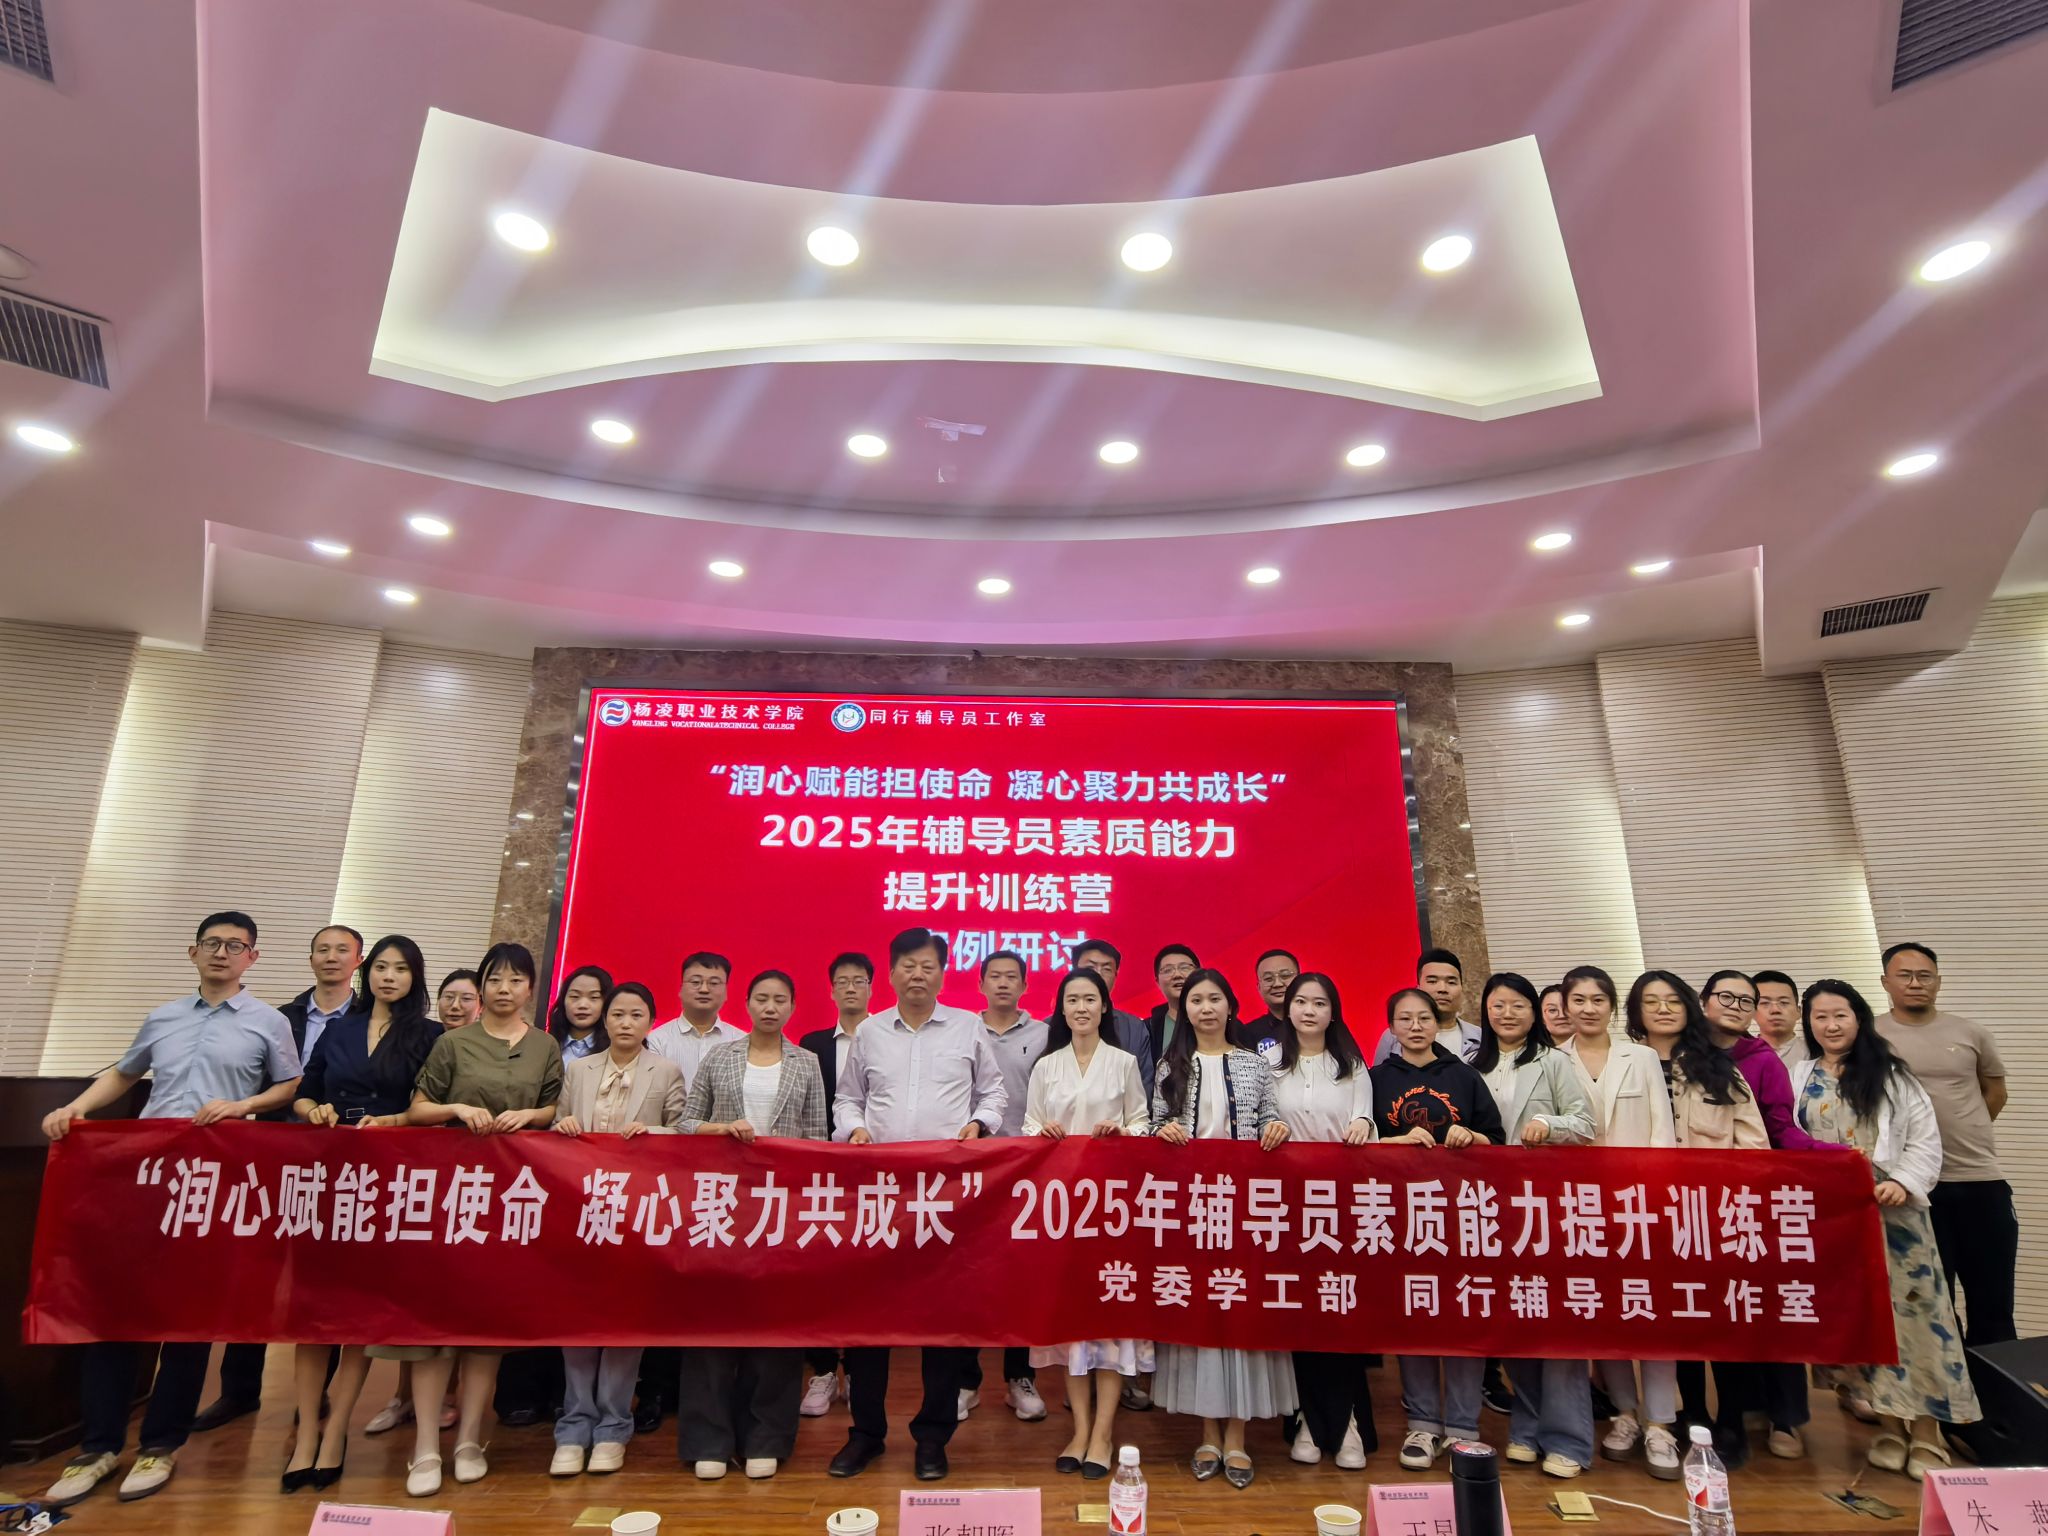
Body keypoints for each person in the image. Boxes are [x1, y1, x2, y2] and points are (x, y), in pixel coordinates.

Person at [41, 911, 301, 1508]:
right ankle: (97, 1447)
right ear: (193, 952)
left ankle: (161, 1443)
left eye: (235, 945)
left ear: (252, 957)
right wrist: (77, 1108)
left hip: (214, 1183)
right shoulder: (163, 1016)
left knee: (190, 1313)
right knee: (118, 1307)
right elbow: (125, 1073)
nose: (222, 953)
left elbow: (288, 1086)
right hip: (148, 1177)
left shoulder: (268, 1022)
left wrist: (241, 1106)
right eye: (212, 943)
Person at [830, 928, 1007, 1483]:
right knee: (869, 1321)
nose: (917, 974)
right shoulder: (869, 1031)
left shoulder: (968, 1026)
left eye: (927, 966)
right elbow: (847, 1098)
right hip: (879, 1195)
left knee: (941, 1320)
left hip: (944, 1197)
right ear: (891, 973)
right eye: (907, 965)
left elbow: (994, 1093)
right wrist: (854, 1130)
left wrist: (979, 1124)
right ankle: (866, 1433)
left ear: (942, 973)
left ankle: (933, 1436)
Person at [1794, 979, 1980, 1480]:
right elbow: (1789, 1140)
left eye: (1840, 1015)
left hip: (1895, 1214)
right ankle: (1890, 1427)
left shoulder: (1891, 1074)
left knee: (1918, 1321)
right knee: (1866, 1321)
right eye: (1820, 1017)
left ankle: (1928, 1434)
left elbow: (1924, 1139)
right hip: (1835, 1220)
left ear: (1859, 1018)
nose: (1830, 1025)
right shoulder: (1801, 1074)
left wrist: (1903, 1181)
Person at [395, 942, 563, 1496]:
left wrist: (532, 1115)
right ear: (482, 987)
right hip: (450, 1196)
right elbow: (418, 1109)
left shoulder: (545, 1046)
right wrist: (455, 1109)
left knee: (485, 1325)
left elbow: (554, 1111)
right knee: (434, 1325)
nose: (504, 989)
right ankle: (425, 1446)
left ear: (530, 989)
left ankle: (469, 1439)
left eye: (516, 980)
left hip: (510, 1200)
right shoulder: (453, 1043)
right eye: (495, 979)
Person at [280, 933, 440, 1493]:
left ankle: (335, 1433)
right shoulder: (340, 1028)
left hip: (389, 1180)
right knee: (313, 1310)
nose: (388, 977)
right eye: (381, 967)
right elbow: (304, 1090)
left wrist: (394, 1124)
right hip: (329, 1173)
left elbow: (428, 1108)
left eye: (401, 969)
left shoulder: (429, 1035)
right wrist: (313, 1110)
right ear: (366, 972)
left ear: (415, 978)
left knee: (358, 1312)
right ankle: (306, 1434)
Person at [205, 923, 368, 1433]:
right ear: (311, 958)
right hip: (273, 1158)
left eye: (342, 950)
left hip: (339, 1164)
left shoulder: (370, 1021)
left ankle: (313, 1396)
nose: (331, 957)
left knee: (325, 1281)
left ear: (358, 962)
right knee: (255, 1274)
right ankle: (238, 1391)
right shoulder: (280, 1017)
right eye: (322, 949)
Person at [673, 969, 826, 1480]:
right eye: (761, 998)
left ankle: (766, 1436)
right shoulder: (720, 1057)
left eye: (780, 1000)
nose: (770, 1007)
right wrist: (719, 1128)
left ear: (792, 1007)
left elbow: (817, 1138)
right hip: (720, 1206)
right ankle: (709, 1439)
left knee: (775, 1321)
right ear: (747, 1003)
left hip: (781, 1209)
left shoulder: (806, 1062)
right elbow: (684, 1123)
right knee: (712, 1321)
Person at [1150, 967, 1295, 1489]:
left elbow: (1273, 1117)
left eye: (1214, 999)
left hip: (1245, 1211)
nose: (1205, 1008)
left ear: (1231, 1006)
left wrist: (1275, 1127)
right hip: (1192, 1211)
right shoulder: (1170, 1065)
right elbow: (1152, 1125)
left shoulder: (1255, 1064)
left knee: (1241, 1313)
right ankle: (1207, 1433)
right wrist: (1161, 1131)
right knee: (1201, 1315)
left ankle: (1237, 1436)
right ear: (1184, 1010)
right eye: (1196, 1000)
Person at [548, 981, 686, 1477]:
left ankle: (612, 1425)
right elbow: (557, 1126)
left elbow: (684, 1133)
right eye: (618, 1014)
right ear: (605, 1020)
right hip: (581, 1209)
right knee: (577, 1320)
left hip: (637, 1214)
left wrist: (654, 1132)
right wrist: (562, 1127)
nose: (626, 1023)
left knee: (625, 1320)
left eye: (636, 1015)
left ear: (651, 1022)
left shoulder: (666, 1070)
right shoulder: (579, 1069)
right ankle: (573, 1424)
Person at [1623, 971, 1766, 1439]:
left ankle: (1732, 1422)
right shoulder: (1625, 1065)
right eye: (1651, 1002)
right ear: (1636, 1012)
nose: (1663, 1010)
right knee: (1673, 1315)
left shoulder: (1720, 1067)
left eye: (1672, 1001)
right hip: (1648, 1213)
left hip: (1712, 1213)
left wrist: (1735, 1203)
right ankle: (1692, 1414)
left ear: (1689, 1007)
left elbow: (1752, 1142)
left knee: (1721, 1317)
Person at [1023, 968, 1153, 1479]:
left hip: (1113, 1209)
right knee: (1072, 1327)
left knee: (1109, 1325)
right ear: (1062, 1009)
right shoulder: (1046, 1065)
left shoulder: (1123, 1062)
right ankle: (1078, 1431)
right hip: (1061, 1212)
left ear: (1104, 1008)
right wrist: (1043, 1132)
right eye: (1072, 999)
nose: (1081, 1007)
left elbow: (1142, 1122)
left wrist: (1121, 1131)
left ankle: (1103, 1434)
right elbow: (1028, 1126)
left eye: (1090, 999)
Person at [1472, 974, 1597, 1480]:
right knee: (1514, 1319)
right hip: (1488, 1209)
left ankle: (1568, 1438)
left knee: (1557, 1322)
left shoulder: (1554, 1061)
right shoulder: (1470, 1065)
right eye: (1497, 1005)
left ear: (1535, 1012)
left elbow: (1585, 1124)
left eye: (1518, 1005)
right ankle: (1526, 1428)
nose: (1507, 1014)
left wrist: (1550, 1125)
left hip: (1544, 1207)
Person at [1375, 986, 1505, 1472]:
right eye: (1404, 1018)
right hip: (1399, 1216)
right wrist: (1395, 1142)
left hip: (1462, 1214)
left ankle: (1464, 1427)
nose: (1415, 1026)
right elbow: (1360, 1143)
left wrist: (1471, 1135)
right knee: (1415, 1315)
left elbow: (1497, 1140)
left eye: (1423, 1017)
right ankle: (1423, 1423)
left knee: (1464, 1314)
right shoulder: (1374, 1079)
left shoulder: (1465, 1075)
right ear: (1391, 1028)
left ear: (1437, 1023)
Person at [1559, 966, 1680, 1480]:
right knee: (1605, 1312)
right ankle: (1625, 1415)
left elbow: (1662, 1134)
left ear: (1612, 1007)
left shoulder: (1642, 1057)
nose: (1588, 1009)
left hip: (1640, 1205)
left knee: (1651, 1313)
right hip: (1580, 1208)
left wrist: (1659, 1201)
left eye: (1598, 1000)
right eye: (1579, 1000)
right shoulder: (1551, 1060)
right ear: (1564, 1007)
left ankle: (1661, 1423)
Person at [1698, 967, 1817, 1463]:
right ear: (1704, 1001)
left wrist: (1828, 1155)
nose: (1736, 1006)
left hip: (1755, 1199)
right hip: (1700, 1203)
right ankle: (1737, 1410)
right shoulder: (1686, 1055)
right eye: (1726, 997)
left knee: (1771, 1306)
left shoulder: (1762, 1059)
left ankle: (1786, 1414)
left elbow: (1781, 1127)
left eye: (1746, 1001)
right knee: (1723, 1310)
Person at [1874, 942, 2015, 1348]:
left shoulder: (1971, 1033)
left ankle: (1998, 1390)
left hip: (1979, 1179)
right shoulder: (1870, 1037)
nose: (1916, 983)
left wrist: (1963, 1131)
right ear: (1886, 982)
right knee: (1934, 1306)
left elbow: (1995, 1092)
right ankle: (1955, 1388)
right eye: (1905, 975)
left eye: (1925, 975)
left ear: (1938, 982)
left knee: (1993, 1307)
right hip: (1911, 1188)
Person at [1269, 972, 1375, 1471]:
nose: (1309, 1011)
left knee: (1341, 1313)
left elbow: (1366, 1121)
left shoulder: (1351, 1066)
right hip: (1285, 1206)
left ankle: (1349, 1423)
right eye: (1301, 1002)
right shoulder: (1268, 1064)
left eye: (1320, 1003)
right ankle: (1309, 1421)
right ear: (1288, 1009)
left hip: (1341, 1207)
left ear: (1333, 1013)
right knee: (1300, 1314)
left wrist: (1363, 1124)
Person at [964, 949, 1052, 1422]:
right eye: (994, 976)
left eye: (1011, 977)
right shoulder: (963, 1029)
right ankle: (966, 1380)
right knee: (970, 1274)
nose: (1002, 983)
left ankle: (1021, 1377)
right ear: (980, 983)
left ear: (1024, 985)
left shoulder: (1044, 1034)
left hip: (1028, 1168)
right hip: (972, 1167)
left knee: (1022, 1276)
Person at [798, 950, 875, 1418]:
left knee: (867, 1273)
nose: (850, 987)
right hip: (823, 1170)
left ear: (871, 988)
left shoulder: (885, 1038)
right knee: (821, 1271)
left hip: (876, 1171)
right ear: (831, 990)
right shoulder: (812, 1044)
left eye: (858, 980)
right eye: (842, 981)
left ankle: (862, 1370)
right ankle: (825, 1369)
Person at [1071, 939, 1157, 1089]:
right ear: (1073, 972)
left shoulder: (1134, 1028)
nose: (1098, 975)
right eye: (1090, 968)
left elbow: (1144, 1085)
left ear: (1115, 976)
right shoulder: (1048, 1028)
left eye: (1106, 969)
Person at [646, 950, 744, 1079]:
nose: (704, 989)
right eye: (695, 982)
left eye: (714, 983)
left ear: (726, 991)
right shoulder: (656, 1041)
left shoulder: (742, 1042)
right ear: (680, 988)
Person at [1373, 949, 1481, 1063]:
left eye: (1451, 982)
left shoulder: (1480, 1037)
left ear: (1462, 988)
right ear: (1418, 987)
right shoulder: (1393, 1037)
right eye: (1432, 981)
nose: (1442, 989)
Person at [1236, 948, 1299, 1061]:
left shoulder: (1318, 1022)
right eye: (1268, 979)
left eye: (1285, 976)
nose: (1277, 984)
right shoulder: (1248, 1033)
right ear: (1259, 988)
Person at [1143, 943, 1199, 1064]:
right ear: (1157, 982)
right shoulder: (1146, 1029)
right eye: (1167, 970)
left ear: (1199, 974)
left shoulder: (1222, 1022)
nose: (1177, 975)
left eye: (1184, 967)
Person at [545, 964, 615, 1062]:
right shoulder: (545, 1045)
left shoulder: (617, 1051)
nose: (582, 1005)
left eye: (594, 997)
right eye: (575, 996)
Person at [1754, 970, 1806, 1072]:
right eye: (1765, 1003)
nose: (1775, 1010)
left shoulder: (1815, 1054)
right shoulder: (1740, 1056)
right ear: (1752, 1011)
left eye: (1783, 1002)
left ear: (1798, 1011)